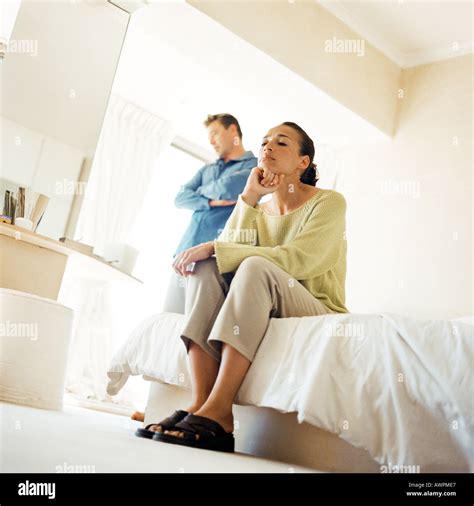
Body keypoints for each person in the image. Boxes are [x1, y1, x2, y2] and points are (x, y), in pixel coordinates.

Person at [135, 122, 348, 451]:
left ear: (303, 162)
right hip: (266, 298)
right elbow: (226, 255)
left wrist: (216, 247)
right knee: (207, 265)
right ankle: (203, 405)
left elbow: (300, 259)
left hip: (315, 306)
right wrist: (248, 197)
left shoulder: (329, 203)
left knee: (252, 264)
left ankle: (221, 409)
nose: (267, 148)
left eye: (281, 143)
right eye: (264, 142)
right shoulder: (259, 209)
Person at [162, 113, 258, 314]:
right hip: (184, 251)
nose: (211, 141)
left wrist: (199, 193)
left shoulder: (254, 167)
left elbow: (229, 188)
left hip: (215, 259)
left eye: (214, 133)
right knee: (170, 319)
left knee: (196, 324)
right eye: (209, 137)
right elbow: (180, 197)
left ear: (233, 130)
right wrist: (211, 201)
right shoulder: (208, 169)